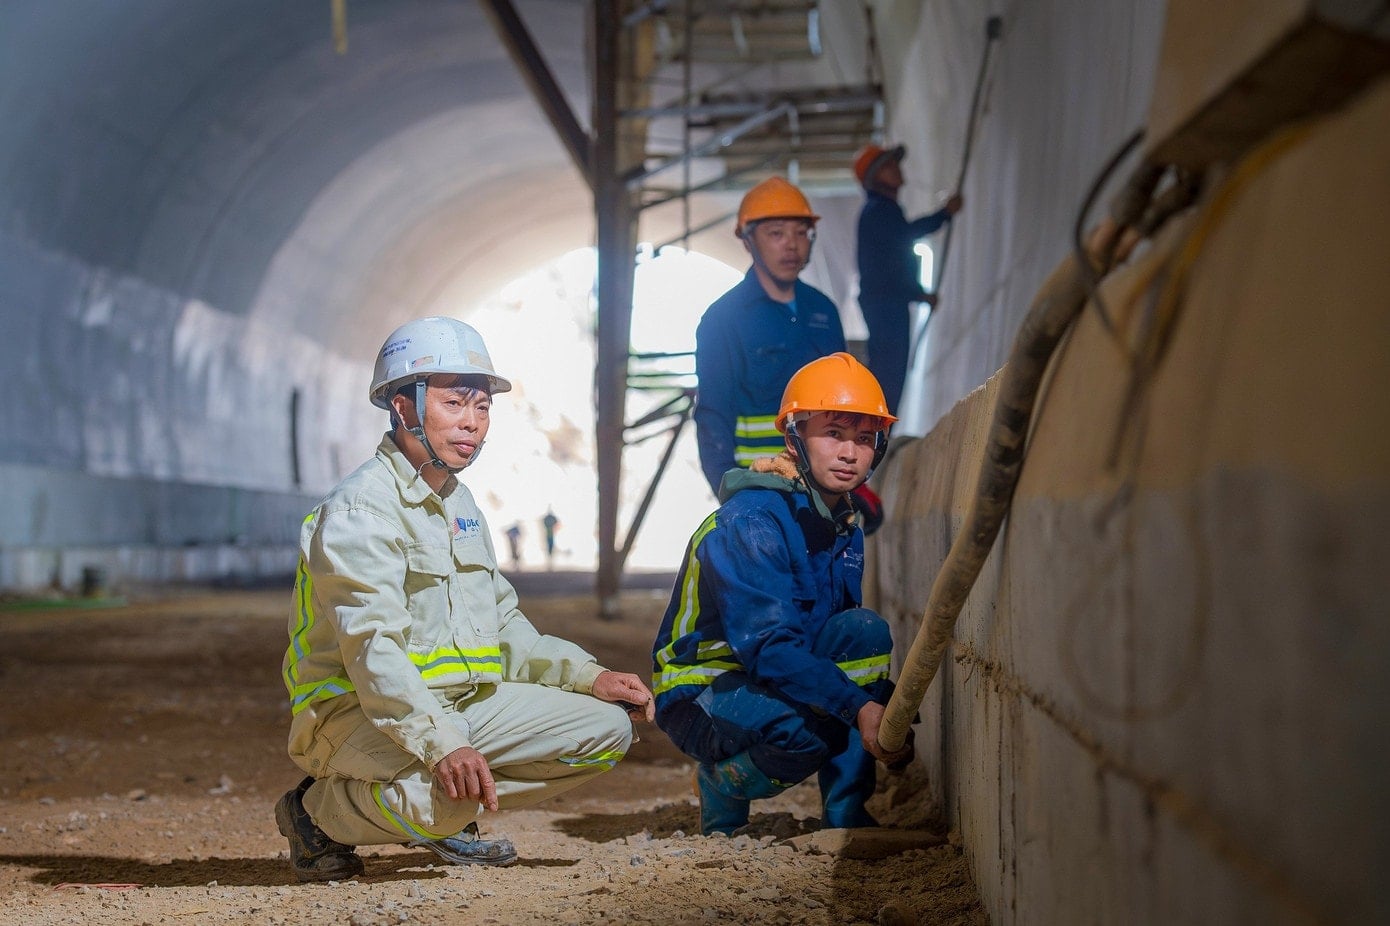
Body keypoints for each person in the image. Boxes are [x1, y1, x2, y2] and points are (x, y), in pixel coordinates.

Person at [277, 316, 655, 882]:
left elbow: (501, 620)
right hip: (352, 714)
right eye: (456, 403)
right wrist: (443, 743)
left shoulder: (459, 504)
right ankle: (316, 813)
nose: (473, 424)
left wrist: (586, 676)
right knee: (450, 802)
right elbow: (373, 650)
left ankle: (439, 797)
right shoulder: (360, 512)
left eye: (483, 408)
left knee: (605, 732)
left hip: (457, 705)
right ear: (404, 407)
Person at [651, 352, 914, 836]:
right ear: (795, 435)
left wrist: (885, 705)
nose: (849, 453)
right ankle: (722, 786)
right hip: (704, 688)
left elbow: (832, 637)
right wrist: (860, 708)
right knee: (813, 732)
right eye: (833, 434)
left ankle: (845, 816)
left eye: (864, 438)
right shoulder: (754, 522)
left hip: (763, 674)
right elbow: (769, 647)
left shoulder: (843, 525)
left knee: (862, 632)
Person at [693, 176, 847, 499]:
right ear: (748, 241)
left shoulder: (824, 312)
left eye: (801, 233)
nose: (791, 244)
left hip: (824, 493)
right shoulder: (723, 320)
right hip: (759, 490)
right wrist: (731, 492)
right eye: (776, 233)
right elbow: (713, 418)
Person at [854, 143, 963, 416]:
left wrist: (919, 294)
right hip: (885, 306)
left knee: (890, 375)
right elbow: (904, 238)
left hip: (886, 303)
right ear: (875, 178)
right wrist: (944, 213)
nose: (898, 170)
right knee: (888, 376)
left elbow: (893, 263)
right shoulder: (879, 210)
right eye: (889, 166)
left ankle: (880, 433)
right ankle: (877, 433)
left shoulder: (882, 210)